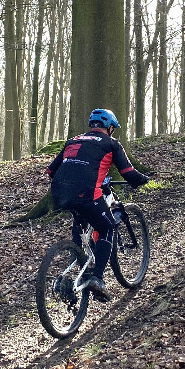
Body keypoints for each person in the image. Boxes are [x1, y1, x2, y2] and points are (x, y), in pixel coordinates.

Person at [46, 109, 150, 301]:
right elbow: (128, 172)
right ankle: (98, 279)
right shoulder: (111, 144)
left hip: (59, 193)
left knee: (81, 226)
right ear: (110, 127)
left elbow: (51, 171)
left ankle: (74, 267)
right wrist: (143, 179)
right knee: (108, 227)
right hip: (87, 193)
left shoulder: (73, 141)